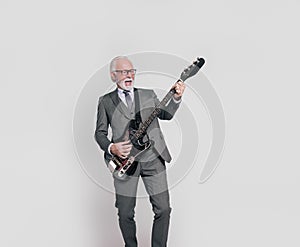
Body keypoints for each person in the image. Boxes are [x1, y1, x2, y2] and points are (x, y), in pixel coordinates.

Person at [94, 56, 185, 247]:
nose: (129, 75)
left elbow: (165, 114)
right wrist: (112, 147)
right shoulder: (105, 101)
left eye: (131, 71)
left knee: (164, 209)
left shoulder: (147, 94)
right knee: (125, 212)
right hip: (125, 163)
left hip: (153, 159)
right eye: (124, 72)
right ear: (113, 76)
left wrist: (176, 97)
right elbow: (100, 133)